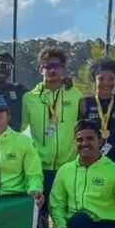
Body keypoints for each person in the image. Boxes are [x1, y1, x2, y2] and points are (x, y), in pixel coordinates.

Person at [21, 46, 84, 206]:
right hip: (39, 168)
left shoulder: (75, 94)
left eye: (56, 66)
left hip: (69, 167)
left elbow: (86, 124)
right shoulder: (29, 98)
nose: (52, 70)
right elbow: (20, 131)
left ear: (63, 69)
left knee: (65, 217)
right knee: (39, 218)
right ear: (40, 69)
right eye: (48, 66)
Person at [78, 58, 115, 166]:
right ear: (94, 80)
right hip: (90, 161)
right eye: (101, 79)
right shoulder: (84, 103)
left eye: (111, 79)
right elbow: (77, 133)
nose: (106, 83)